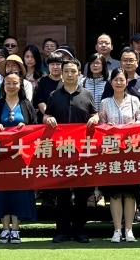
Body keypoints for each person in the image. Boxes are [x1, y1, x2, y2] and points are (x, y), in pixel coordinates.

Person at [43, 58, 99, 244]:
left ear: (79, 74)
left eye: (73, 71)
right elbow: (46, 115)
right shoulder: (54, 95)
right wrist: (48, 119)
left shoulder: (87, 94)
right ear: (62, 73)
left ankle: (80, 231)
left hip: (81, 151)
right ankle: (62, 231)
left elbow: (95, 113)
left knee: (82, 194)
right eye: (66, 71)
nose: (69, 74)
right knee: (62, 194)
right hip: (60, 151)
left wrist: (95, 118)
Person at [0, 70, 38, 243]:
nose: (11, 86)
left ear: (20, 85)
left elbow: (36, 128)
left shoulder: (26, 105)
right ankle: (4, 228)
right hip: (0, 157)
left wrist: (26, 128)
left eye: (15, 83)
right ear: (3, 85)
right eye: (8, 83)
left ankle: (15, 229)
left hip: (21, 157)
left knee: (19, 193)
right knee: (1, 192)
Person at [99, 67, 140, 242]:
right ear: (111, 82)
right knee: (115, 193)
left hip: (131, 152)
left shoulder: (134, 101)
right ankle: (117, 230)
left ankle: (129, 229)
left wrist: (133, 126)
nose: (119, 82)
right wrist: (108, 128)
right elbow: (100, 125)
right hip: (112, 153)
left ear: (127, 82)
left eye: (122, 80)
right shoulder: (105, 102)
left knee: (131, 193)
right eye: (116, 80)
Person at [33, 50, 66, 115]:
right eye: (52, 64)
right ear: (48, 66)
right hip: (46, 116)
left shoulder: (67, 81)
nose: (55, 67)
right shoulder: (41, 82)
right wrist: (48, 115)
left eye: (58, 64)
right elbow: (39, 100)